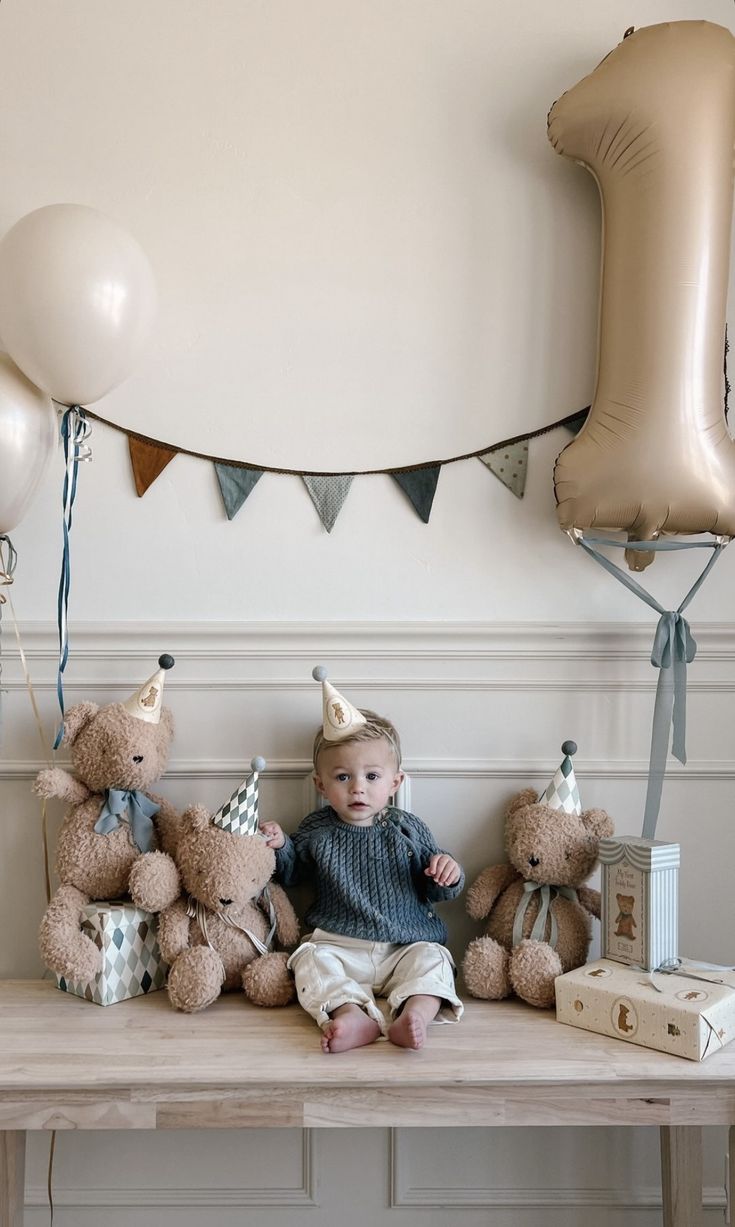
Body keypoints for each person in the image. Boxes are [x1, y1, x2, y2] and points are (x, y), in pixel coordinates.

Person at [260, 668, 464, 1054]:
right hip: (339, 945)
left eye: (372, 775)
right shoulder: (318, 829)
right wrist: (280, 844)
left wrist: (446, 871)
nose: (358, 787)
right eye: (342, 777)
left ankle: (416, 1015)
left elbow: (434, 887)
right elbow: (292, 871)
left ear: (395, 783)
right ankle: (350, 1014)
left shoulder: (407, 828)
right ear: (320, 784)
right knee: (308, 960)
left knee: (434, 959)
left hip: (404, 946)